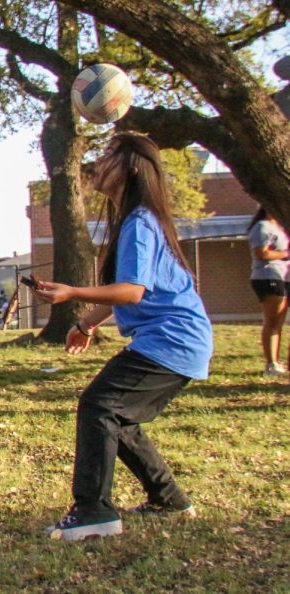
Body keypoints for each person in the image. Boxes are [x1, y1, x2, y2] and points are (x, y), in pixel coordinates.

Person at [34, 133, 212, 542]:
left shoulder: (140, 222)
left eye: (109, 155)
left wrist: (72, 292)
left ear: (132, 166)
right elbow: (127, 292)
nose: (98, 162)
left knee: (100, 405)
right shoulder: (137, 220)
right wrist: (85, 323)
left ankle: (93, 512)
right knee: (120, 417)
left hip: (172, 340)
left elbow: (132, 291)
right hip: (177, 340)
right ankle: (169, 501)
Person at [247, 208, 289, 375]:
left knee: (278, 322)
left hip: (282, 276)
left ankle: (277, 362)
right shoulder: (262, 226)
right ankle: (271, 364)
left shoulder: (278, 227)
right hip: (268, 276)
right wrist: (285, 253)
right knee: (272, 321)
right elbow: (261, 253)